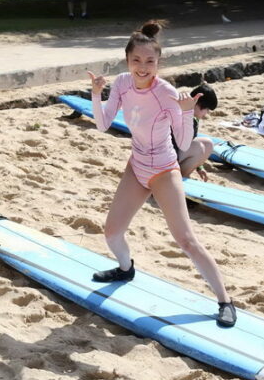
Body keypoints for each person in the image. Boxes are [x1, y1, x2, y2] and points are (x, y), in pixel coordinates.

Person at [87, 20, 236, 327]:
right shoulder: (122, 83)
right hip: (136, 166)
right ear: (127, 61)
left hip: (164, 170)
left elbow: (182, 143)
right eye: (136, 61)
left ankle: (224, 300)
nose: (142, 67)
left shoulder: (167, 93)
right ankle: (125, 268)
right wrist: (97, 93)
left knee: (185, 240)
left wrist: (183, 111)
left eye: (149, 62)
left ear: (158, 63)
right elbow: (103, 124)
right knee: (111, 232)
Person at [173, 84, 217, 182]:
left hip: (176, 152)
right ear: (197, 104)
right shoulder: (182, 113)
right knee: (198, 147)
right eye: (207, 109)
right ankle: (180, 178)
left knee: (208, 143)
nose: (207, 113)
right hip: (166, 156)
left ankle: (182, 173)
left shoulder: (193, 117)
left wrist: (199, 167)